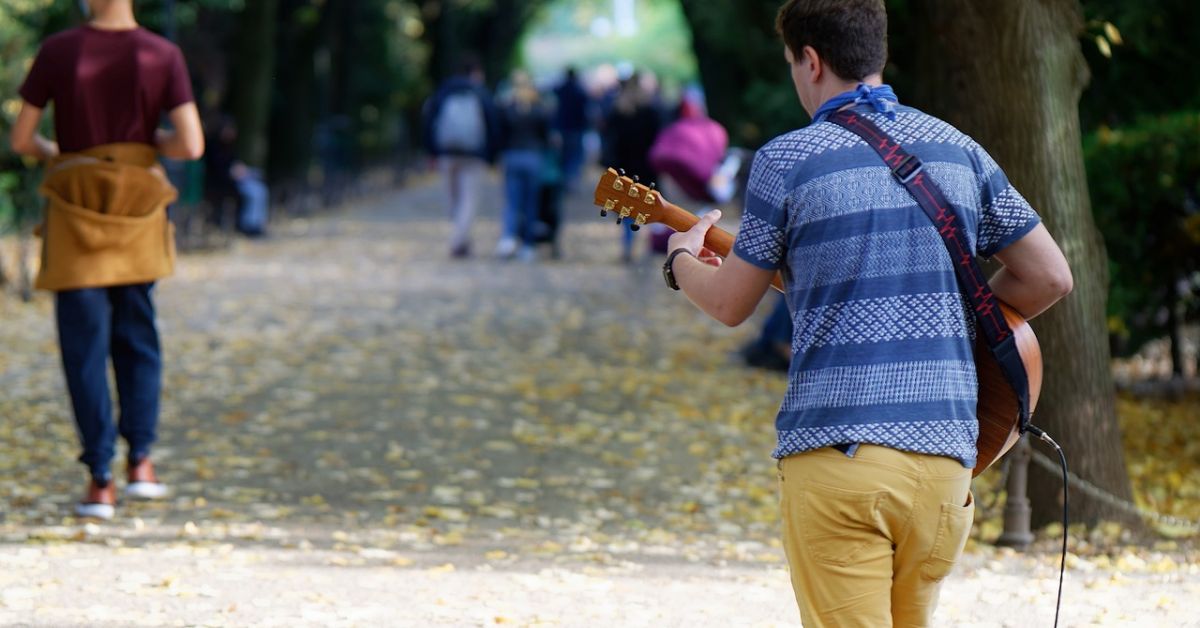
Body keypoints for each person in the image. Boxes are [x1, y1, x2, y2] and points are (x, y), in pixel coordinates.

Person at [660, 0, 1073, 624]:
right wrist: (952, 322)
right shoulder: (957, 149)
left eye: (793, 65)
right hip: (945, 464)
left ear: (812, 60)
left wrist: (680, 259)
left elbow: (728, 304)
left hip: (839, 458)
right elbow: (1050, 275)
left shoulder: (787, 160)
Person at [10, 0, 205, 520]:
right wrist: (143, 145)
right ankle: (141, 462)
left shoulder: (58, 50)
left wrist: (68, 154)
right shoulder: (162, 53)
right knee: (139, 337)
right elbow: (191, 143)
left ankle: (100, 480)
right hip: (137, 202)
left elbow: (22, 138)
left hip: (75, 205)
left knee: (84, 346)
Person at [422, 56, 499, 259]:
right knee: (469, 200)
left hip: (446, 153)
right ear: (475, 72)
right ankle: (459, 240)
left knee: (452, 199)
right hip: (473, 155)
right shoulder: (480, 92)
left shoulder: (444, 91)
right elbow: (492, 124)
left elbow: (429, 121)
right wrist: (491, 155)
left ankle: (461, 238)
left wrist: (431, 152)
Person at [604, 73, 662, 262]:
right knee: (649, 207)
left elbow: (609, 138)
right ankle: (650, 244)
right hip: (647, 166)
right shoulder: (651, 110)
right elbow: (658, 138)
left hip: (624, 167)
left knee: (627, 209)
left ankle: (628, 246)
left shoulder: (619, 109)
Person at [495, 72, 552, 262]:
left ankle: (508, 238)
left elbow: (501, 134)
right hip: (533, 158)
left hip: (512, 157)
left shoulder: (508, 107)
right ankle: (528, 245)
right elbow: (546, 136)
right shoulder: (538, 108)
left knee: (512, 202)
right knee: (530, 204)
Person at [552, 66, 590, 194]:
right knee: (575, 157)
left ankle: (564, 181)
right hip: (576, 129)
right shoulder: (580, 91)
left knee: (564, 156)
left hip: (563, 128)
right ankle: (571, 182)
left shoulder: (561, 89)